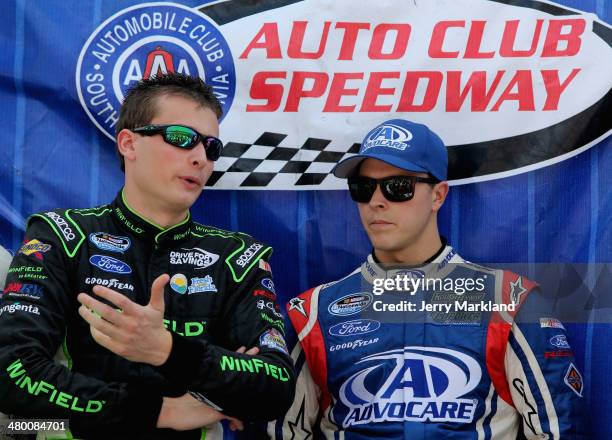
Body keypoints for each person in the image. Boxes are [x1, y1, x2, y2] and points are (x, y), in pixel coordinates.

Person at [0, 73, 295, 439]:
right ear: (129, 143)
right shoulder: (62, 235)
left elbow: (277, 387)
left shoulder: (236, 257)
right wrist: (161, 411)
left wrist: (168, 351)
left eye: (211, 147)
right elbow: (11, 372)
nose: (201, 157)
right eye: (181, 138)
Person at [269, 119, 588, 439]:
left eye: (398, 187)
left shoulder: (508, 300)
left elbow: (559, 429)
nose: (376, 201)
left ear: (438, 195)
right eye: (363, 188)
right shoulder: (311, 313)